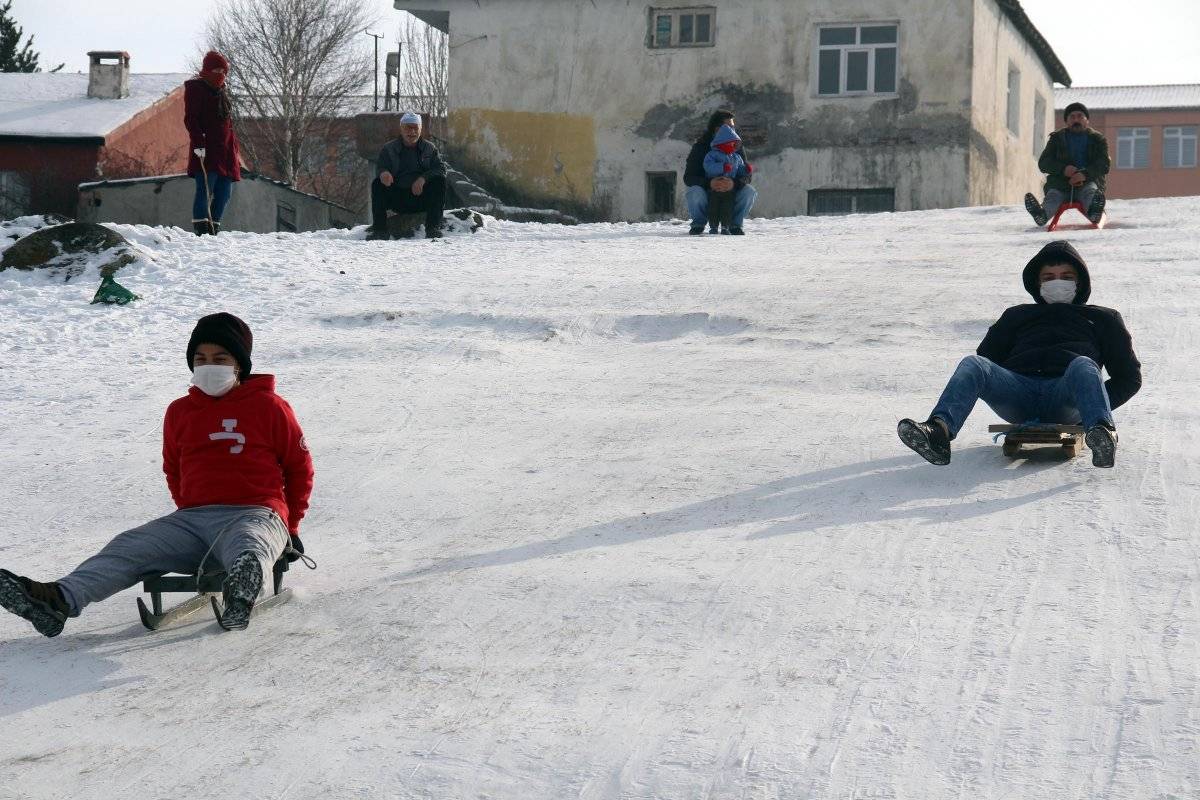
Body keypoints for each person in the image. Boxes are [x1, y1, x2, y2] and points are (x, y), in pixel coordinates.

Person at [0, 313, 314, 637]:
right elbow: (174, 469)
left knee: (249, 543)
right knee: (130, 546)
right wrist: (187, 512)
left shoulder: (270, 406)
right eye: (200, 359)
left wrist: (290, 528)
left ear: (239, 365)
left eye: (220, 359)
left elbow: (299, 468)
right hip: (192, 520)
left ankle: (241, 593)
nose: (209, 366)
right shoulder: (180, 411)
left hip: (255, 513)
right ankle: (59, 599)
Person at [897, 241, 1140, 469]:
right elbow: (987, 360)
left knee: (1084, 365)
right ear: (1037, 283)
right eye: (1049, 277)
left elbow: (1128, 378)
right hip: (1018, 394)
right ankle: (938, 432)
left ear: (1080, 282)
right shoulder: (1017, 315)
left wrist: (1091, 402)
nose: (1058, 283)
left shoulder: (1103, 318)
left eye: (1067, 277)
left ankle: (1102, 433)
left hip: (1066, 398)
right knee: (974, 364)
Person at [1024, 102, 1110, 226]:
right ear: (1066, 121)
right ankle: (1041, 215)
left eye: (1080, 116)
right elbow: (1044, 163)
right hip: (1060, 184)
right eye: (1072, 117)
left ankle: (1095, 213)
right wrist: (1063, 169)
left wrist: (1084, 174)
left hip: (1088, 182)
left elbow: (1104, 164)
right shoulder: (1056, 139)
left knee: (1090, 193)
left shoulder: (1098, 140)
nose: (1076, 120)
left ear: (1087, 120)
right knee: (1053, 197)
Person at [185, 51, 242, 236]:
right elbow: (191, 119)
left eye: (224, 71)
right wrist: (198, 143)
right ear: (208, 70)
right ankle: (201, 227)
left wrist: (235, 154)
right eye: (217, 70)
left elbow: (228, 126)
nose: (221, 75)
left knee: (225, 192)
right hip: (207, 150)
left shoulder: (222, 93)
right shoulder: (196, 89)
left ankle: (214, 225)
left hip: (226, 153)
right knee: (205, 188)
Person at [367, 112, 448, 240]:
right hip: (397, 197)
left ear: (420, 129)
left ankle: (433, 228)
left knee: (439, 181)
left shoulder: (429, 148)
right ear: (401, 129)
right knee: (377, 184)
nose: (412, 132)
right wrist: (384, 173)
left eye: (416, 128)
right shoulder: (389, 148)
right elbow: (381, 167)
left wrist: (423, 179)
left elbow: (441, 169)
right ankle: (380, 231)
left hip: (421, 197)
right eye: (408, 128)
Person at [683, 110, 757, 235]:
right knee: (694, 192)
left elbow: (746, 176)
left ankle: (734, 225)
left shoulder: (736, 147)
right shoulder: (700, 147)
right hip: (707, 192)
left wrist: (734, 183)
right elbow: (689, 177)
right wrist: (710, 183)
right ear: (717, 129)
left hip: (731, 192)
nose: (733, 130)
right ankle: (698, 224)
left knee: (749, 191)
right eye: (730, 127)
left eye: (733, 127)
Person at [702, 124, 752, 234]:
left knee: (728, 207)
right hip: (715, 188)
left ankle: (726, 226)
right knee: (713, 207)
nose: (733, 146)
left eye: (735, 144)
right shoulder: (712, 155)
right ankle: (713, 226)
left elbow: (739, 170)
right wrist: (722, 167)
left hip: (729, 190)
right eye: (731, 143)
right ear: (722, 143)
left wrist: (746, 170)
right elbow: (708, 167)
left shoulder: (736, 157)